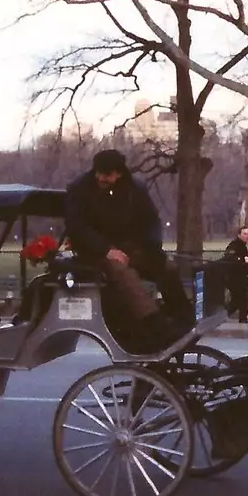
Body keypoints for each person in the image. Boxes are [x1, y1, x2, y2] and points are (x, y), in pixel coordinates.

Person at [65, 148, 192, 347]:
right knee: (122, 272)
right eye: (98, 172)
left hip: (130, 246)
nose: (100, 178)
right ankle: (154, 323)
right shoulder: (79, 190)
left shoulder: (135, 189)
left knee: (166, 267)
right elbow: (77, 227)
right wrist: (107, 249)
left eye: (106, 174)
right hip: (94, 252)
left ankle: (182, 317)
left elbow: (151, 221)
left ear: (119, 173)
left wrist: (153, 248)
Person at [222, 225, 248, 323]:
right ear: (239, 235)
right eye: (244, 234)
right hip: (235, 279)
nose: (247, 236)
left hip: (242, 279)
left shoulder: (243, 247)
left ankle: (241, 321)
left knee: (239, 302)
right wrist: (242, 260)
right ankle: (240, 321)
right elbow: (229, 259)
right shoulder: (234, 245)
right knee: (241, 302)